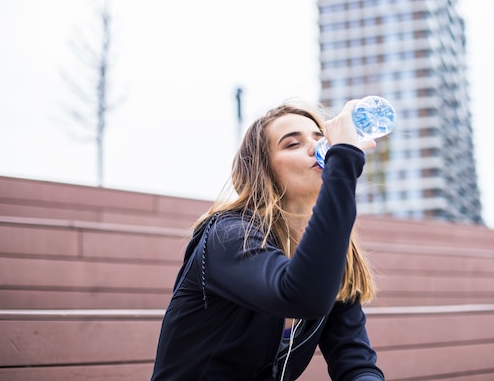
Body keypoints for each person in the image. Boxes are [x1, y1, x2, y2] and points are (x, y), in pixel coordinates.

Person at [151, 99, 385, 381]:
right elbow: (301, 296)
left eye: (320, 137)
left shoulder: (334, 253)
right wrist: (345, 158)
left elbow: (355, 361)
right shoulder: (228, 236)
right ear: (264, 170)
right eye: (292, 144)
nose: (317, 147)